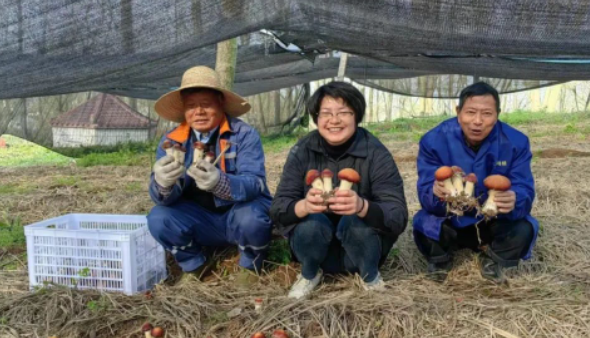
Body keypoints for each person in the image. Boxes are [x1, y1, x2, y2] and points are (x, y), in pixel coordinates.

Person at [270, 82, 408, 299]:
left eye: (344, 113)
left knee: (353, 219)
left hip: (363, 250)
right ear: (316, 118)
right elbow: (278, 209)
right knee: (312, 221)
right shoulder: (302, 151)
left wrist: (363, 207)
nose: (334, 120)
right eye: (325, 113)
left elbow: (398, 215)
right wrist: (304, 206)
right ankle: (309, 274)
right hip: (315, 250)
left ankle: (370, 276)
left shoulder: (376, 152)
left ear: (356, 116)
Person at [147, 66, 272, 277]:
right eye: (191, 106)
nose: (199, 112)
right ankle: (195, 265)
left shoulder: (244, 135)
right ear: (184, 110)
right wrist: (162, 183)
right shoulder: (171, 141)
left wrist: (220, 182)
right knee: (158, 218)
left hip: (236, 214)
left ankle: (250, 266)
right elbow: (162, 200)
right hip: (197, 219)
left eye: (206, 105)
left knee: (252, 217)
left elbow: (255, 183)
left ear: (220, 103)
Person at [413, 82, 537, 283]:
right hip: (452, 220)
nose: (477, 121)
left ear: (497, 114)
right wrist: (434, 191)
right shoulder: (434, 140)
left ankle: (495, 259)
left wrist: (516, 198)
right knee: (423, 223)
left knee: (524, 228)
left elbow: (524, 187)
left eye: (487, 114)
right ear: (458, 112)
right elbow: (425, 190)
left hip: (494, 221)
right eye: (470, 112)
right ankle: (441, 260)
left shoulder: (516, 142)